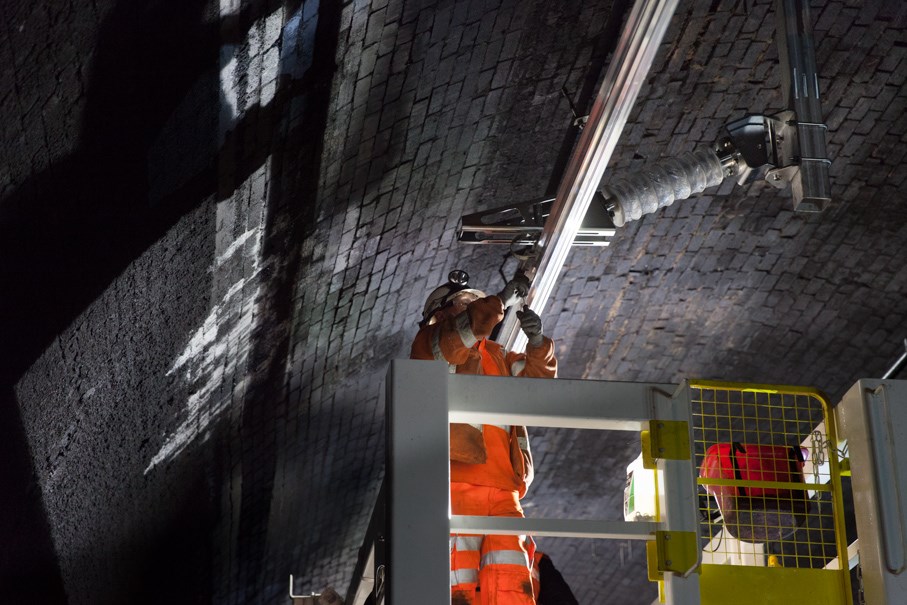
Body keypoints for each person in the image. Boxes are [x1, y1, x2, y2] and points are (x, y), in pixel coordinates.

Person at [411, 269, 557, 605]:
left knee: (512, 584)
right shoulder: (429, 347)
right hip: (455, 486)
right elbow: (461, 337)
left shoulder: (500, 356)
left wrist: (539, 346)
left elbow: (539, 389)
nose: (478, 310)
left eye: (477, 305)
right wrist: (502, 300)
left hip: (505, 491)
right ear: (441, 314)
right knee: (461, 589)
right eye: (466, 305)